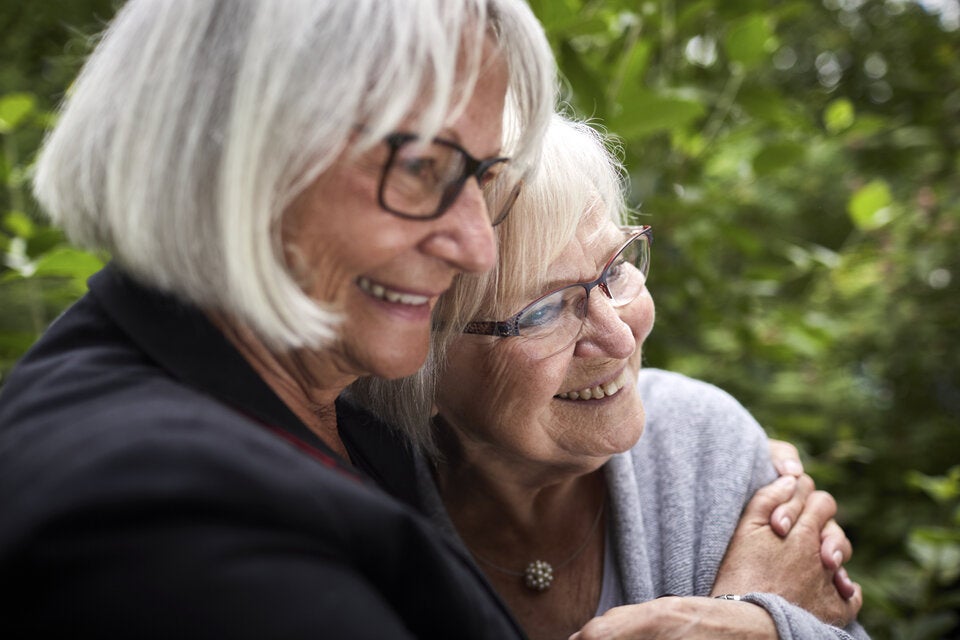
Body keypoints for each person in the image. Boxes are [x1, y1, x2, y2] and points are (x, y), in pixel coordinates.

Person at [0, 1, 557, 637]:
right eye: (419, 166)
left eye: (483, 177)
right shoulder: (163, 520)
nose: (478, 246)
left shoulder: (330, 407)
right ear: (228, 152)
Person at [348, 115, 869, 639]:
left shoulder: (703, 445)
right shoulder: (351, 520)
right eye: (545, 310)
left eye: (614, 268)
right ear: (418, 359)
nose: (621, 339)